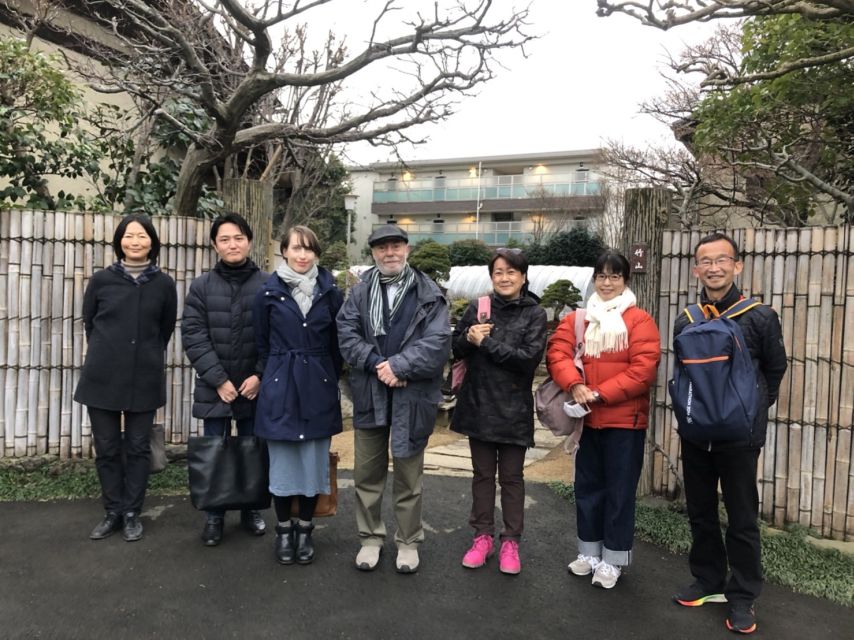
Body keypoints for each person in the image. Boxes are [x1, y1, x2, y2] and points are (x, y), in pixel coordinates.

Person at [671, 233, 787, 635]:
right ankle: (707, 580)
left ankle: (742, 594)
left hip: (740, 438)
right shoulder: (686, 318)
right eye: (706, 261)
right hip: (696, 435)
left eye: (722, 260)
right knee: (701, 512)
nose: (714, 267)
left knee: (741, 517)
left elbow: (774, 369)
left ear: (737, 266)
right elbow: (682, 375)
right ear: (696, 268)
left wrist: (751, 410)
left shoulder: (759, 316)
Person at [337, 224, 451, 574]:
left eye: (396, 246)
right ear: (372, 253)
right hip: (370, 393)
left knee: (408, 477)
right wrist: (377, 364)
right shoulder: (359, 293)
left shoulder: (429, 293)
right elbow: (346, 333)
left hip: (412, 396)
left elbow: (437, 343)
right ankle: (370, 538)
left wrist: (399, 366)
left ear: (407, 249)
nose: (390, 253)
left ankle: (407, 541)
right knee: (367, 475)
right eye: (382, 247)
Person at [546, 251, 660, 589]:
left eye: (615, 276)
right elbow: (557, 353)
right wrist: (575, 384)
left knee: (619, 492)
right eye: (601, 276)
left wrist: (597, 393)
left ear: (626, 280)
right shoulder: (578, 318)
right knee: (587, 489)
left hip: (625, 422)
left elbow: (643, 370)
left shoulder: (639, 321)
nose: (607, 283)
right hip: (587, 421)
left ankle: (614, 558)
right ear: (594, 279)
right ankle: (590, 553)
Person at [75, 213, 177, 542]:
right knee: (105, 448)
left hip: (144, 377)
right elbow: (91, 323)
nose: (135, 241)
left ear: (152, 242)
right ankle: (112, 511)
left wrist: (143, 355)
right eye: (129, 235)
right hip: (102, 377)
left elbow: (165, 330)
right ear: (119, 241)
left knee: (137, 448)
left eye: (142, 236)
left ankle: (133, 511)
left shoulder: (164, 284)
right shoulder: (102, 280)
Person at [451, 248, 547, 575]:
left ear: (523, 276)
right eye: (498, 272)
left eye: (511, 272)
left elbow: (527, 360)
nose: (504, 278)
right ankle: (482, 537)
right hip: (479, 404)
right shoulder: (479, 307)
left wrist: (486, 343)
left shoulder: (535, 313)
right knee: (481, 476)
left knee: (511, 478)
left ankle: (510, 541)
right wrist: (468, 336)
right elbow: (453, 348)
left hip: (514, 408)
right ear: (491, 276)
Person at [253, 226, 344, 565]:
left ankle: (306, 530)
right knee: (283, 464)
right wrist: (271, 375)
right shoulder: (267, 293)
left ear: (316, 253)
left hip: (317, 385)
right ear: (284, 252)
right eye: (296, 248)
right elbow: (261, 343)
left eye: (309, 249)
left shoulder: (330, 292)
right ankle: (284, 531)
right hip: (280, 385)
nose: (303, 255)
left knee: (312, 462)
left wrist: (326, 376)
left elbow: (337, 345)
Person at [181, 213, 268, 546]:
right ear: (215, 245)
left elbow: (274, 336)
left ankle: (251, 510)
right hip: (213, 386)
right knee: (214, 449)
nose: (233, 244)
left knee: (252, 448)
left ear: (249, 240)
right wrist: (217, 379)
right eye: (225, 239)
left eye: (239, 237)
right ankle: (214, 516)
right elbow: (193, 334)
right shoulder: (201, 286)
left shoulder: (267, 284)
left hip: (253, 386)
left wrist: (259, 375)